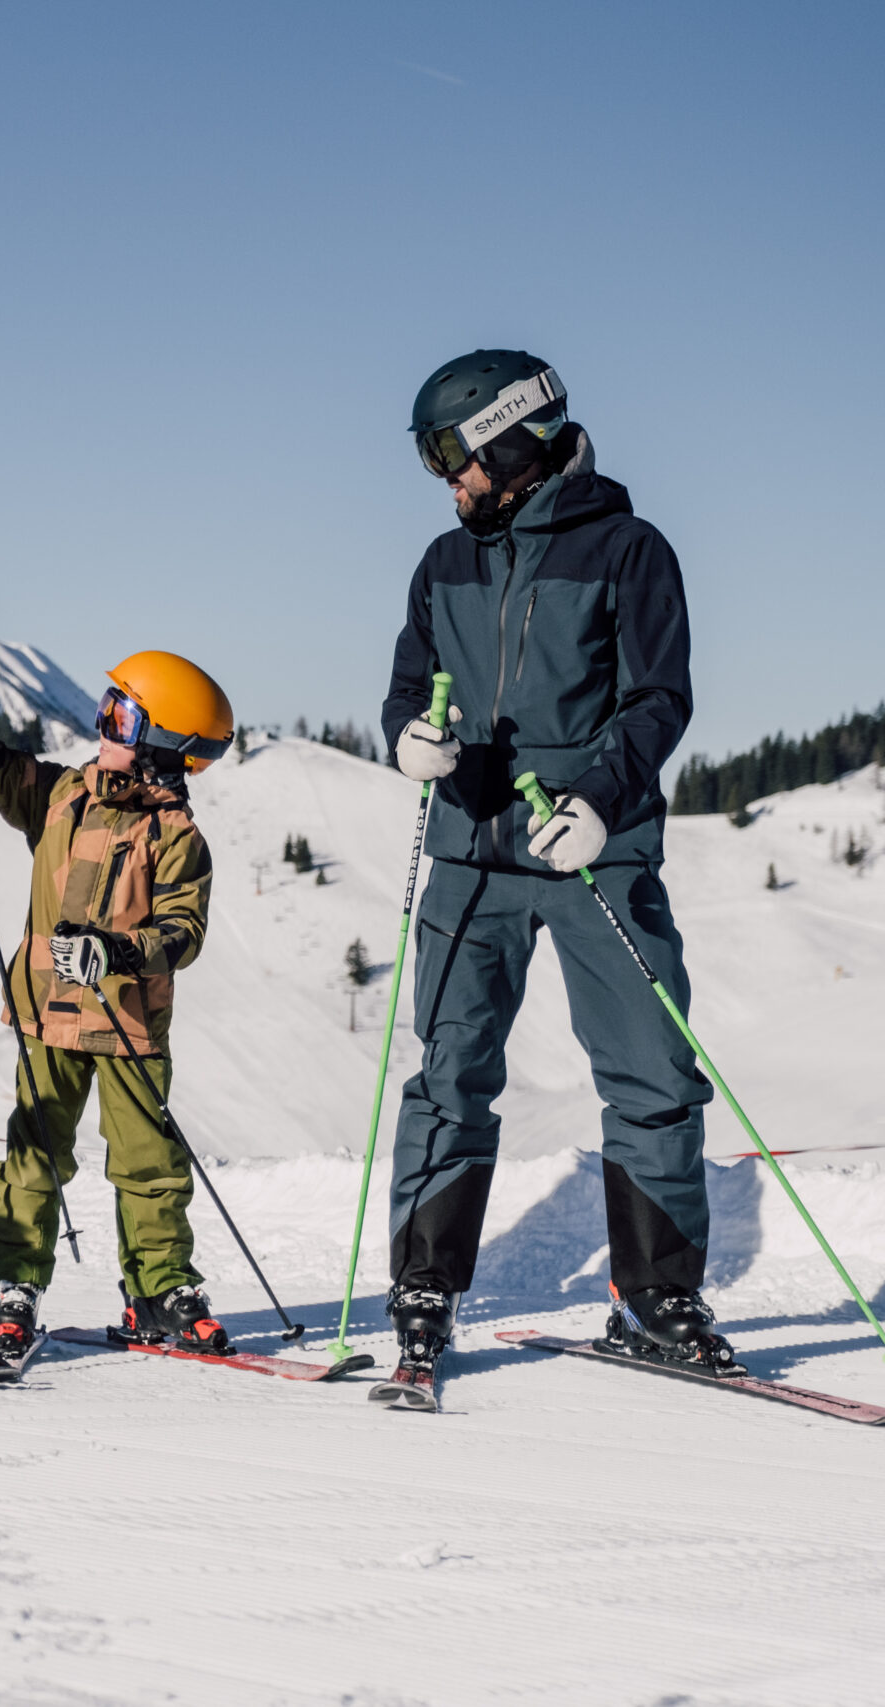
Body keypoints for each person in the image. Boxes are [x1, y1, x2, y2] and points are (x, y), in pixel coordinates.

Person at [379, 349, 733, 1383]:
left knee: (652, 1071)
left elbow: (658, 698)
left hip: (589, 849)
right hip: (471, 855)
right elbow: (407, 685)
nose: (447, 478)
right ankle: (424, 1285)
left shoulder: (629, 550)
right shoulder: (443, 564)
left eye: (453, 454)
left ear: (511, 440)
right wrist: (408, 737)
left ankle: (657, 1297)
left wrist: (599, 802)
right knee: (450, 1074)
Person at [0, 650, 229, 1357]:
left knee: (149, 1163)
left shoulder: (177, 837)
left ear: (161, 743)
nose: (102, 724)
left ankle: (160, 1289)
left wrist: (117, 951)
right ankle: (15, 1285)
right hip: (47, 1012)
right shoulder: (60, 796)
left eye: (122, 717)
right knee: (34, 1155)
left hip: (128, 1023)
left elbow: (184, 930)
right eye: (108, 708)